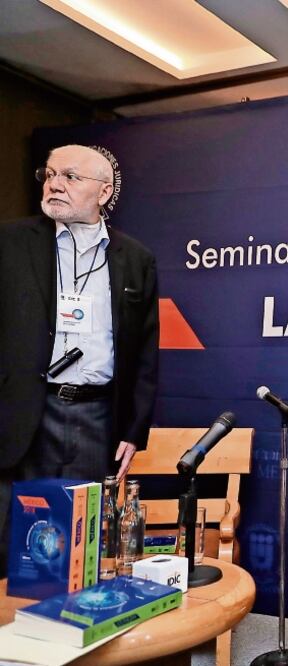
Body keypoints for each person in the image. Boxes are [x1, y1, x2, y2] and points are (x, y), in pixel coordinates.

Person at [0, 144, 159, 575]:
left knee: (78, 544)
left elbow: (144, 350)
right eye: (49, 174)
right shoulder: (10, 243)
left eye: (70, 176)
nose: (54, 184)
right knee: (14, 543)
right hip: (22, 413)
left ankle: (70, 632)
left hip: (96, 414)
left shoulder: (136, 260)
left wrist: (133, 427)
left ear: (104, 192)